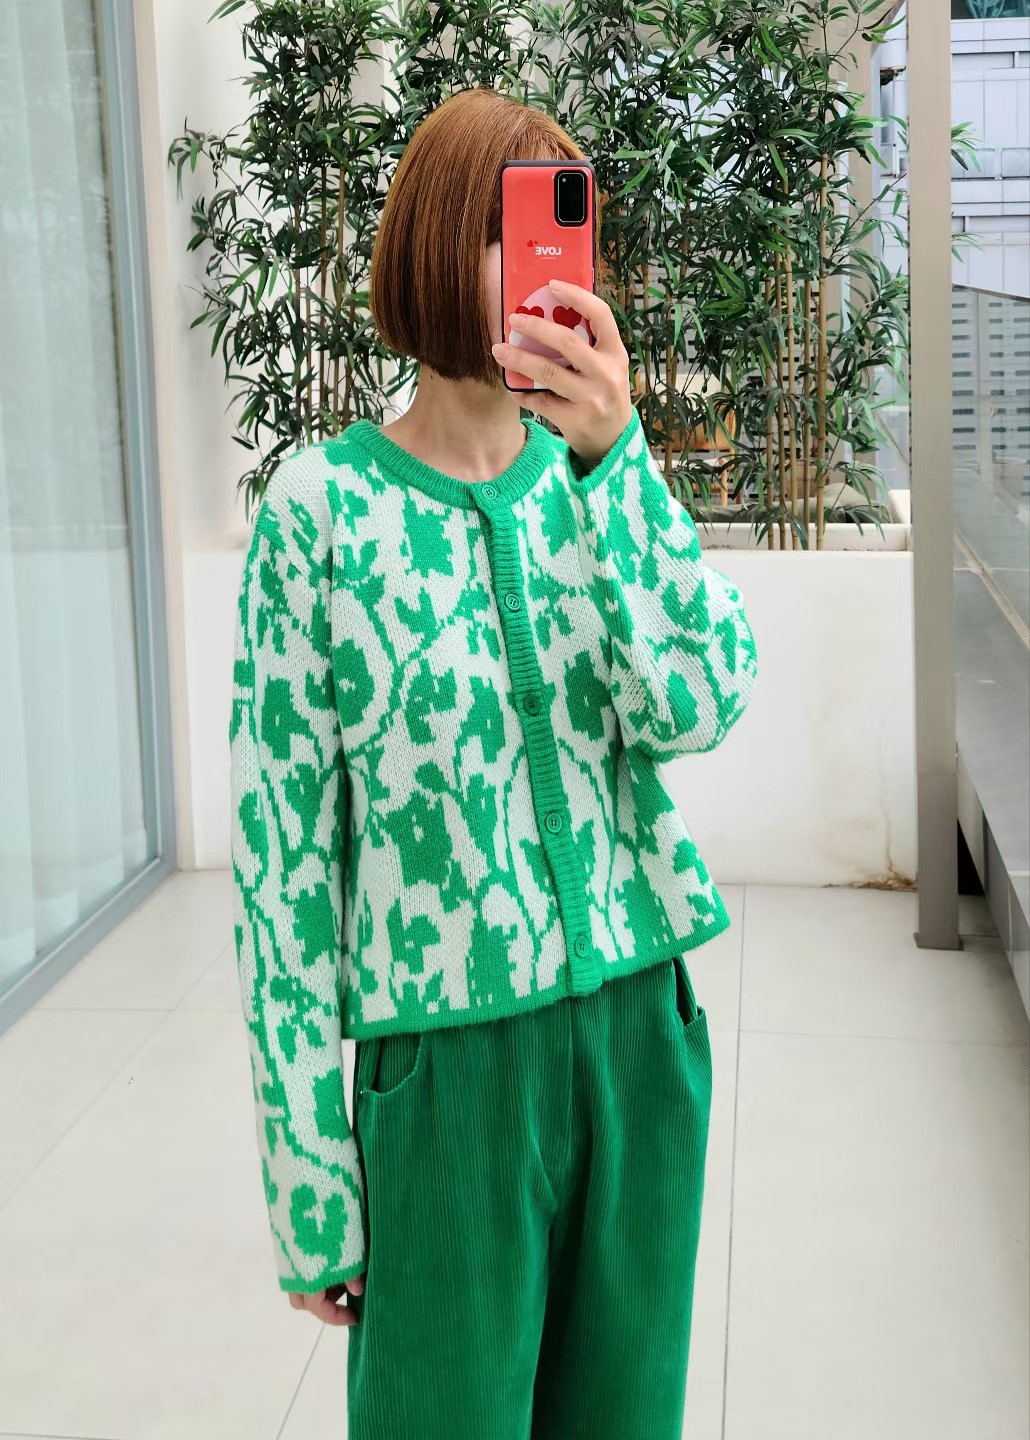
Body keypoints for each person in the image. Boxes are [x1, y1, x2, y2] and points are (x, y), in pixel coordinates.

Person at [229, 84, 758, 1440]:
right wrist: (309, 1175)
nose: (543, 270)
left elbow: (701, 703)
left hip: (637, 1042)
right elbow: (282, 872)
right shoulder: (319, 514)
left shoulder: (599, 482)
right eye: (507, 233)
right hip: (445, 1084)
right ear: (430, 243)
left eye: (560, 235)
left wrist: (620, 463)